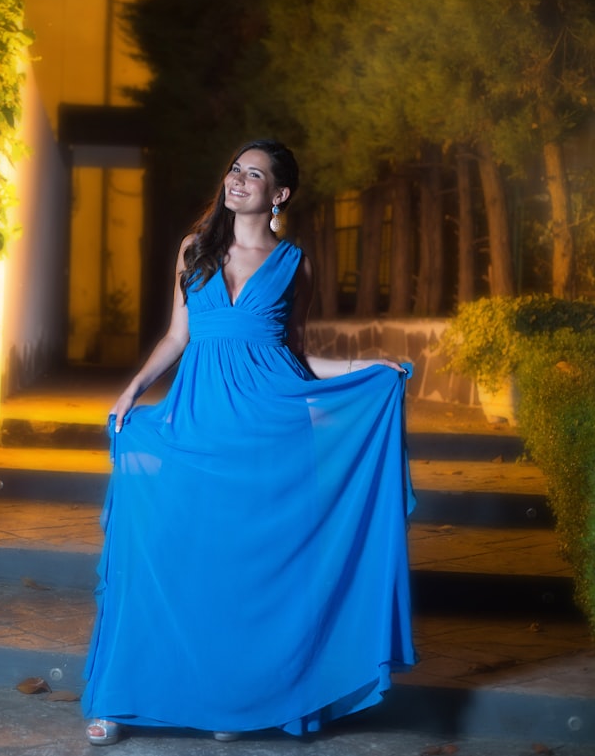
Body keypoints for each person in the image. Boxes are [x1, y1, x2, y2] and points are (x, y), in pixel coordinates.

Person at [81, 139, 418, 745]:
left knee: (248, 571)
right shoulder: (195, 250)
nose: (237, 179)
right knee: (166, 554)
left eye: (254, 174)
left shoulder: (296, 263)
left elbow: (297, 354)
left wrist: (368, 369)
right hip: (198, 424)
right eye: (234, 168)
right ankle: (120, 696)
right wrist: (132, 391)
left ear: (278, 194)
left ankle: (235, 704)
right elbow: (178, 335)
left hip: (267, 430)